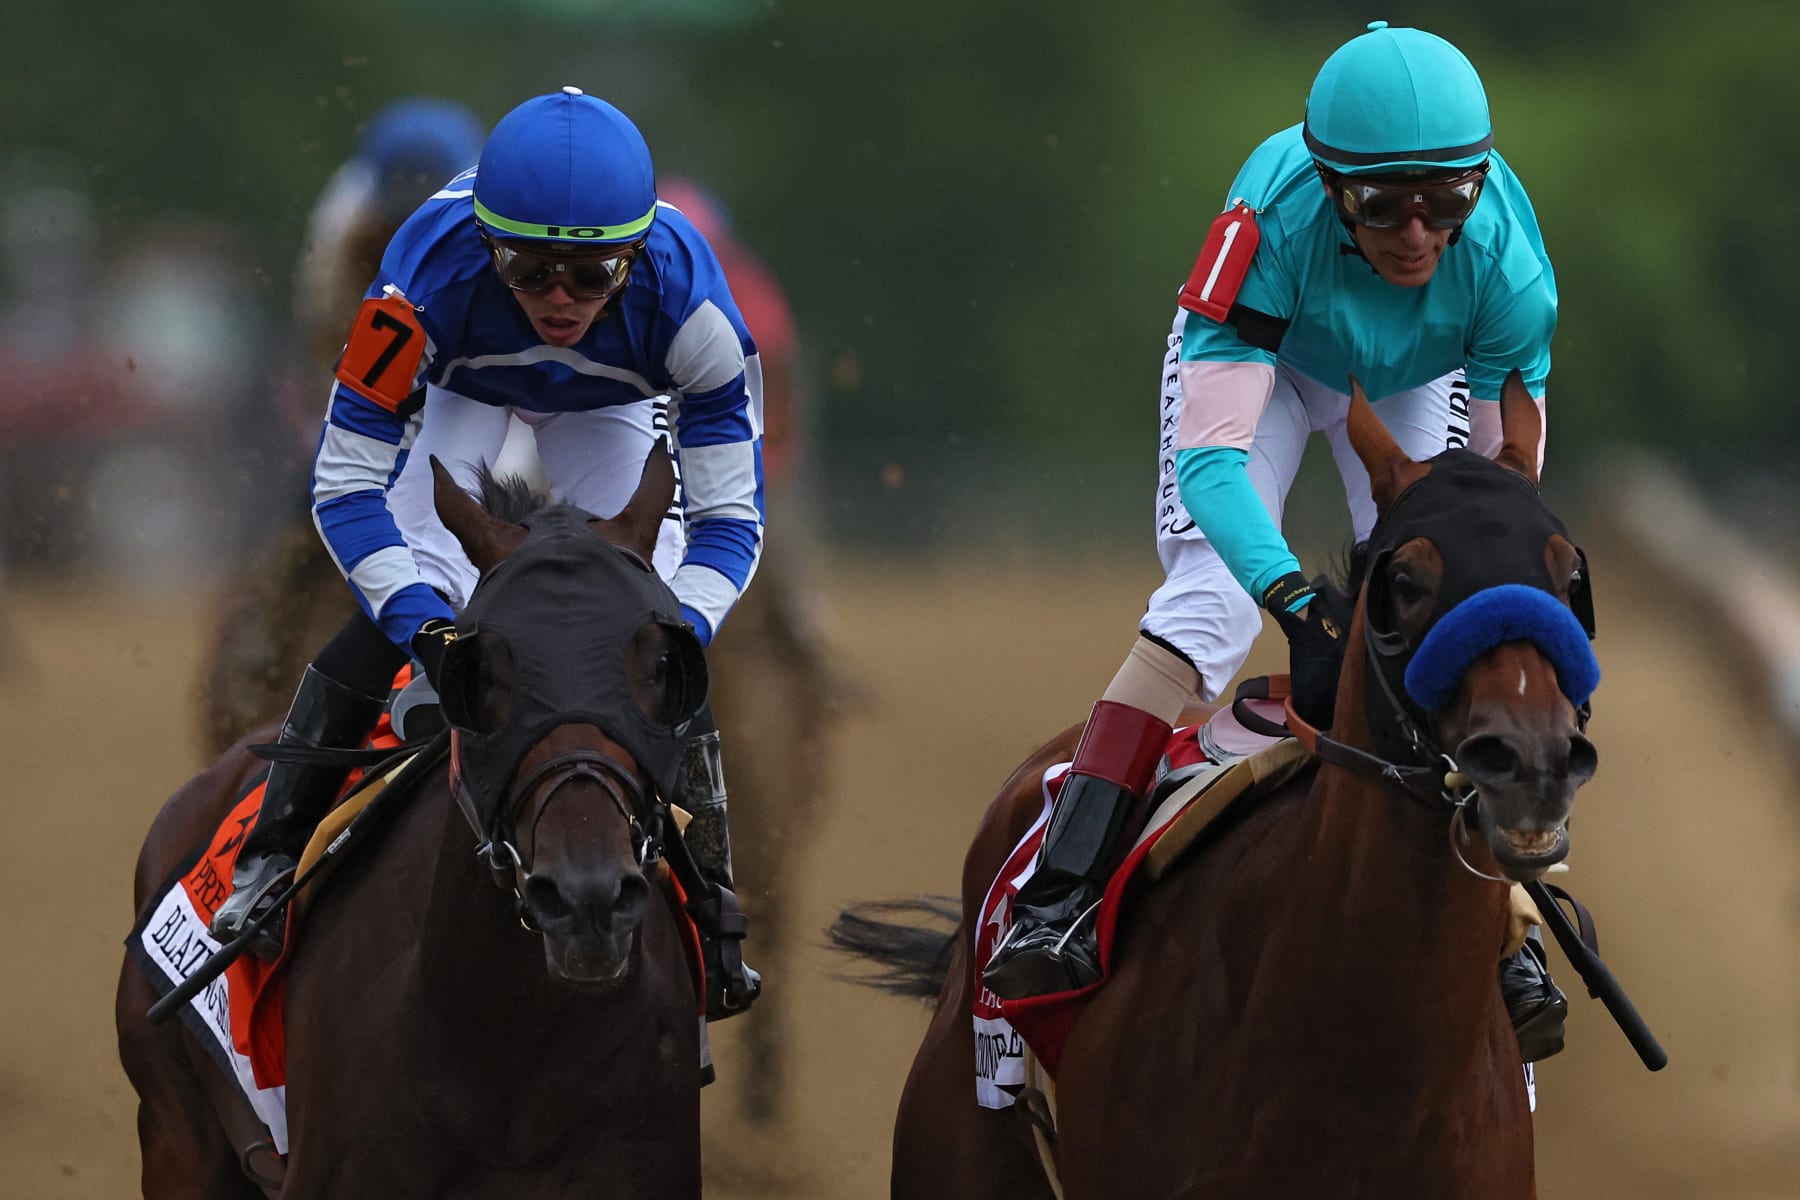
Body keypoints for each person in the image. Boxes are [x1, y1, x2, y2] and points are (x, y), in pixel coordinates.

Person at [982, 22, 1568, 1059]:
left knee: (1452, 601)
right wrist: (1294, 600)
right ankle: (1059, 894)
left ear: (1479, 186)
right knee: (1209, 602)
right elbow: (1214, 467)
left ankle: (1513, 921)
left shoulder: (1513, 272)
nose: (1419, 235)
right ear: (1332, 187)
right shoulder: (1269, 226)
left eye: (1447, 203)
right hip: (1268, 363)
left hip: (1412, 372)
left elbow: (1492, 503)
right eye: (1384, 206)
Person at [207, 87, 765, 1018]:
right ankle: (271, 854)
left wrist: (680, 628)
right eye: (530, 269)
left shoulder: (696, 308)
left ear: (637, 257)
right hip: (460, 392)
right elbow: (344, 487)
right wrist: (426, 631)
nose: (558, 300)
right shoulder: (421, 278)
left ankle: (710, 897)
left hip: (616, 409)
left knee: (646, 636)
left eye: (592, 278)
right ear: (482, 241)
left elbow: (731, 522)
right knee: (415, 594)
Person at [200, 98, 487, 755]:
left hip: (473, 382)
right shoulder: (342, 227)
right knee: (314, 508)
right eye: (398, 211)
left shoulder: (493, 218)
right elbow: (326, 342)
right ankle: (261, 636)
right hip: (368, 372)